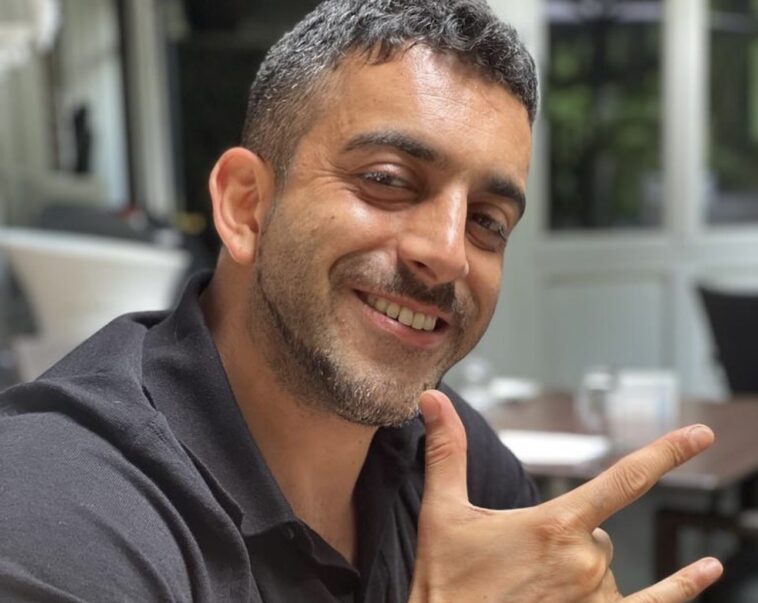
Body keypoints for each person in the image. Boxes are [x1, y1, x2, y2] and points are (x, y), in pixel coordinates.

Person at [0, 0, 722, 601]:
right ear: (247, 207)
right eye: (387, 180)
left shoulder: (443, 455)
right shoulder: (57, 509)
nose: (448, 251)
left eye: (488, 221)